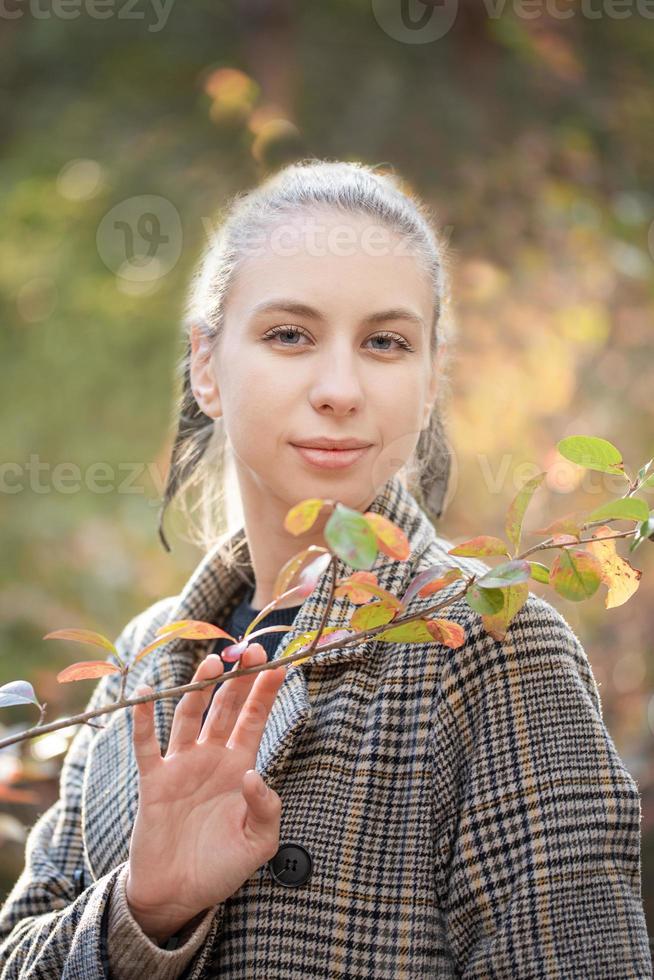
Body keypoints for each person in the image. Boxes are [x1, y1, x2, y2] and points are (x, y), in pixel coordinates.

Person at [0, 159, 651, 979]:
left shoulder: (494, 643)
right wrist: (143, 907)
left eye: (385, 343)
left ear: (426, 385)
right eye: (289, 335)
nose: (340, 389)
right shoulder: (142, 662)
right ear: (207, 366)